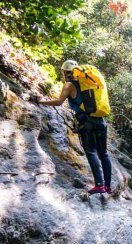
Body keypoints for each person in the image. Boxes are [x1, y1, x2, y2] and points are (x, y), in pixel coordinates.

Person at [37, 60, 112, 194]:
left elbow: (59, 102)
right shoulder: (89, 84)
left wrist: (41, 101)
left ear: (65, 72)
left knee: (91, 151)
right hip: (101, 121)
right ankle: (107, 186)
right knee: (104, 153)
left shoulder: (69, 85)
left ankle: (99, 185)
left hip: (86, 122)